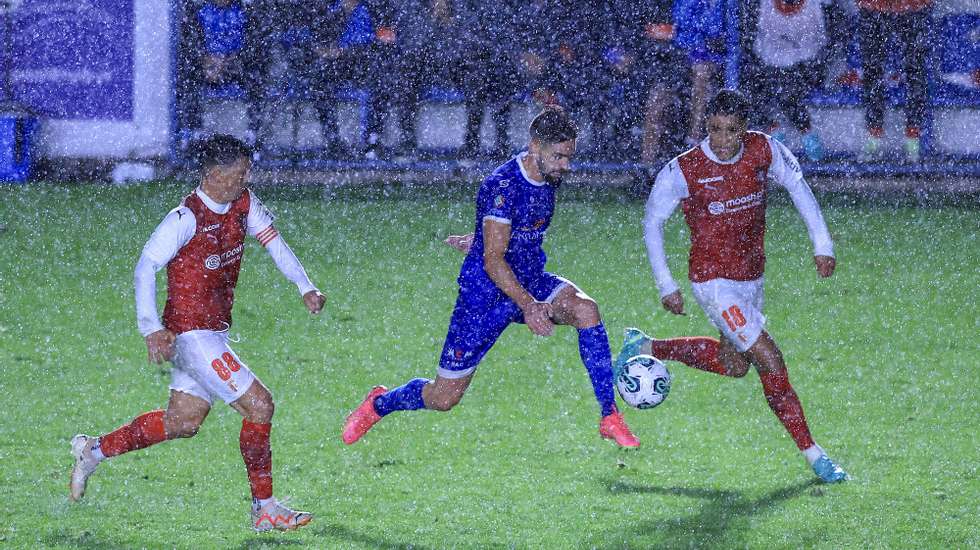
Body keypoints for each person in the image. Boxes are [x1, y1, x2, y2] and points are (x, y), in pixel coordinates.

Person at [342, 107, 640, 448]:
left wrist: (480, 239)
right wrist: (528, 305)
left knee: (587, 310)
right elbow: (494, 260)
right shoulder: (502, 186)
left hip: (528, 278)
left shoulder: (548, 178)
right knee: (443, 398)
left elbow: (511, 234)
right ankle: (380, 403)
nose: (565, 165)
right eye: (558, 156)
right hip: (485, 294)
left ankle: (609, 416)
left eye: (569, 157)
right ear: (534, 146)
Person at [69, 135, 325, 531]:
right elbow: (146, 266)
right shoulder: (185, 218)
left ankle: (93, 451)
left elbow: (275, 244)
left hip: (213, 333)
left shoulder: (244, 203)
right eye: (240, 173)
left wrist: (305, 286)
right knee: (260, 406)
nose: (246, 179)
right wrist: (151, 328)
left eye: (247, 172)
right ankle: (266, 508)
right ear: (214, 176)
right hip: (189, 335)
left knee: (183, 421)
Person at [620, 90, 848, 483]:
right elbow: (652, 221)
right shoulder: (684, 170)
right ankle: (815, 455)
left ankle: (644, 346)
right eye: (714, 130)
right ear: (706, 127)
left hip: (751, 277)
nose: (722, 140)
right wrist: (666, 283)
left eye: (731, 131)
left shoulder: (764, 149)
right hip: (712, 282)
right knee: (769, 360)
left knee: (734, 364)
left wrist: (822, 244)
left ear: (745, 128)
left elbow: (798, 186)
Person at [741, 0, 839, 162]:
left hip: (807, 64)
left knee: (788, 88)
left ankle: (804, 133)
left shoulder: (817, 6)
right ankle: (777, 129)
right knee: (753, 85)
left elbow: (828, 42)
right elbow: (751, 43)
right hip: (769, 64)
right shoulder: (760, 6)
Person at [855, 0, 933, 163]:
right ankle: (874, 135)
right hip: (875, 8)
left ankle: (913, 138)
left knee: (915, 71)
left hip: (911, 8)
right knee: (872, 71)